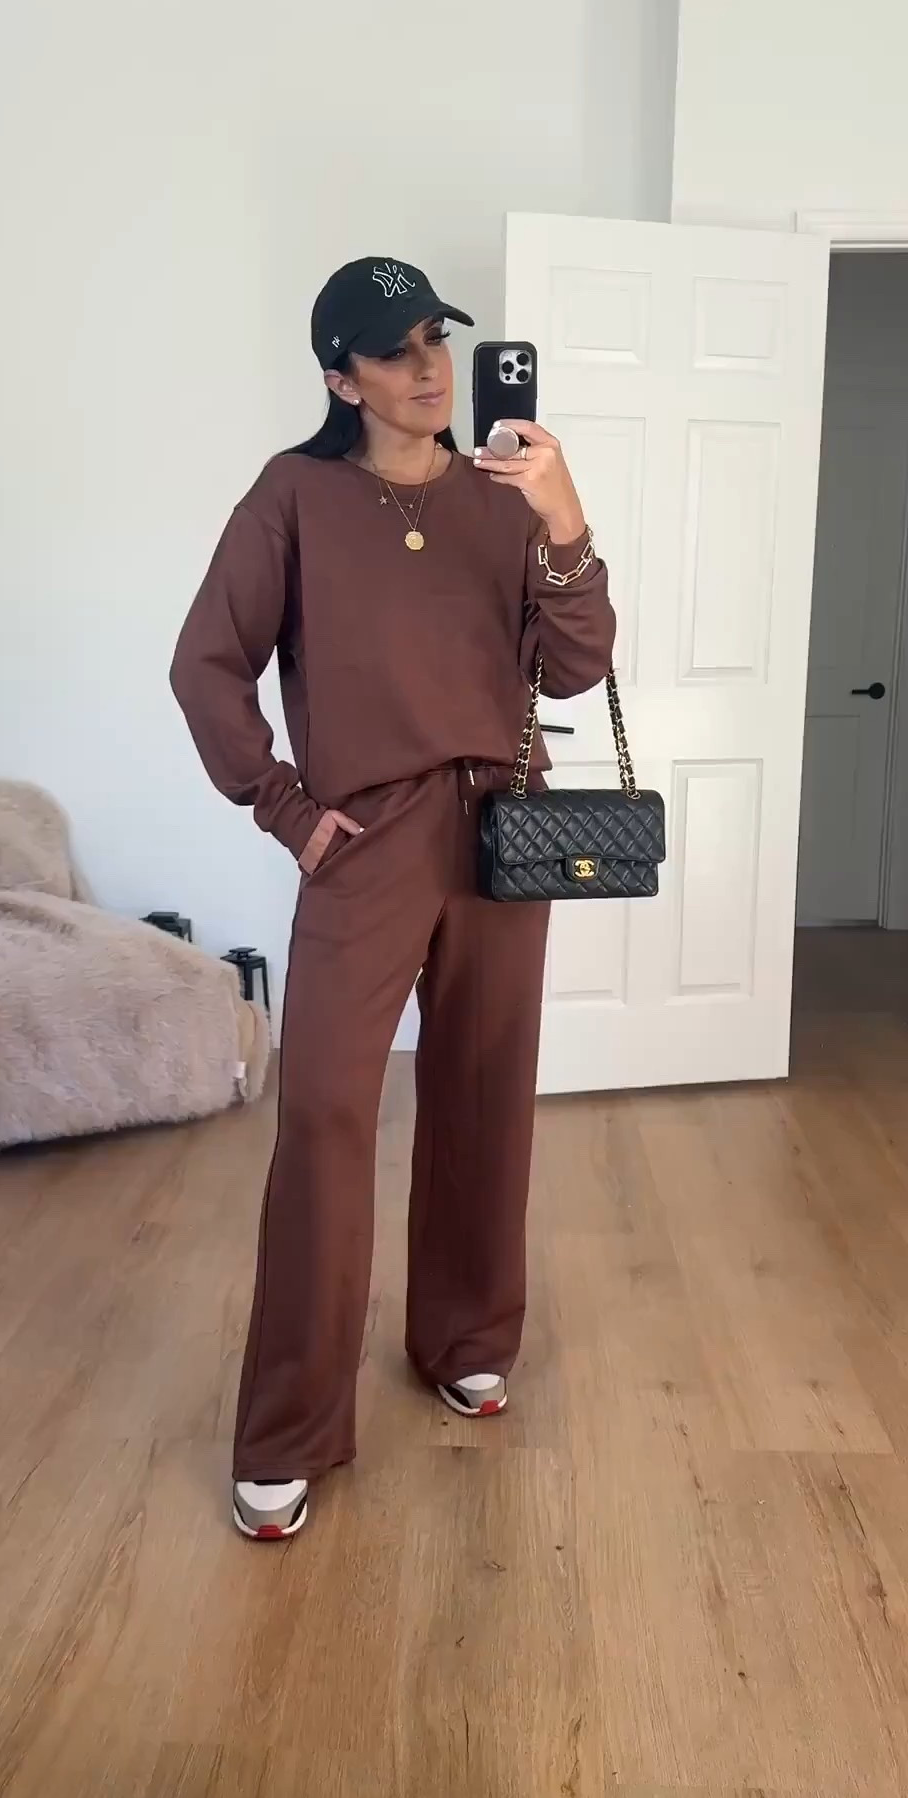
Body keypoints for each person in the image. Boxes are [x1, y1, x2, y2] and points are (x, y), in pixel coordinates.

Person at [170, 257, 615, 1540]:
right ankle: (291, 1427)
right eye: (394, 350)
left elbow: (577, 668)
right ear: (340, 377)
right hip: (365, 841)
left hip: (503, 831)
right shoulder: (293, 497)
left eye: (436, 341)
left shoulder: (503, 499)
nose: (428, 370)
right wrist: (287, 808)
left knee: (484, 1092)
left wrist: (565, 518)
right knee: (323, 1114)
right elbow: (206, 666)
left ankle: (466, 1338)